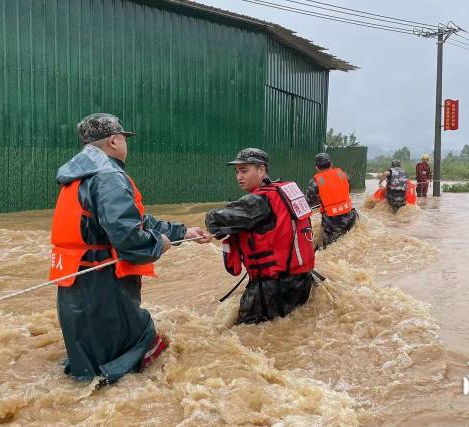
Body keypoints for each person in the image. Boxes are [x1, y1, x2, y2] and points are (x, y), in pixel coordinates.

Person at [49, 113, 211, 382]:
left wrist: (183, 233)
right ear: (114, 140)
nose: (125, 143)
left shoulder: (79, 174)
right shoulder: (109, 177)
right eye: (124, 138)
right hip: (104, 284)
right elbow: (128, 238)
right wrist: (160, 243)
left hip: (74, 281)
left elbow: (133, 220)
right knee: (139, 345)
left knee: (87, 359)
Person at [205, 148, 315, 325]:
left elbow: (215, 220)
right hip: (301, 280)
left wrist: (210, 227)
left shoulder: (258, 201)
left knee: (245, 337)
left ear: (262, 170)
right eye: (237, 172)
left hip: (271, 287)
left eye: (244, 170)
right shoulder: (285, 191)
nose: (239, 177)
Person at [305, 153, 357, 249]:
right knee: (350, 243)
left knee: (326, 248)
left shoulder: (316, 181)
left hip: (332, 221)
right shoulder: (343, 174)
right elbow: (347, 190)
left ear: (317, 167)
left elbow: (309, 202)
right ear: (331, 164)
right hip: (350, 215)